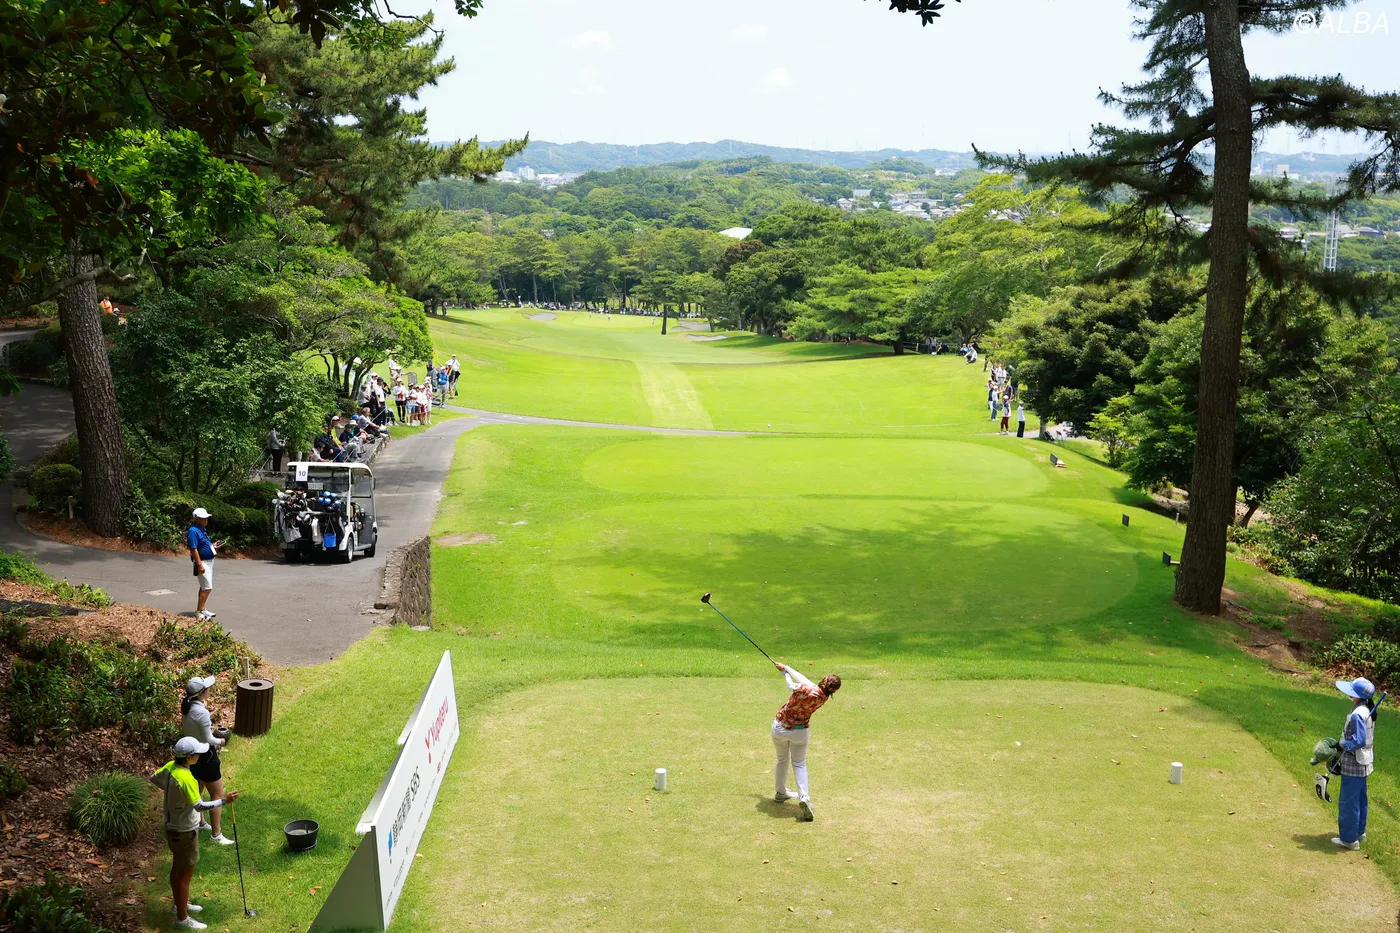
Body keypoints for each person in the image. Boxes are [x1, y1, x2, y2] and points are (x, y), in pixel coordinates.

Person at [151, 736, 239, 930]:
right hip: (184, 831)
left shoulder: (171, 767)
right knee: (185, 874)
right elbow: (199, 806)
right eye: (197, 753)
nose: (200, 755)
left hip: (172, 828)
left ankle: (179, 904)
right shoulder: (187, 779)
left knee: (177, 868)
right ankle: (183, 918)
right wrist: (223, 801)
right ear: (189, 757)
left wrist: (173, 793)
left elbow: (153, 778)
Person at [770, 662, 841, 822]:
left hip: (780, 728)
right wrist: (786, 667)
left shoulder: (806, 689)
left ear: (824, 680)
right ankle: (804, 797)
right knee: (799, 764)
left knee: (782, 759)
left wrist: (785, 674)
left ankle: (780, 792)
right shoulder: (822, 696)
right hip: (799, 733)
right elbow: (803, 679)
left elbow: (791, 685)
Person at [180, 676, 234, 846]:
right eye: (207, 688)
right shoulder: (201, 712)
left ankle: (201, 823)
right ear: (202, 692)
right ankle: (216, 834)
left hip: (192, 754)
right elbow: (207, 738)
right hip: (205, 755)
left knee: (198, 788)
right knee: (217, 793)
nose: (210, 690)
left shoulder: (187, 706)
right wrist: (221, 741)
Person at [1334, 677, 1377, 850]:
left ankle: (1349, 840)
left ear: (1358, 696)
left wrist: (1342, 744)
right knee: (1360, 799)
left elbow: (1358, 741)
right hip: (1364, 761)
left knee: (1348, 802)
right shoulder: (1367, 708)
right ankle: (1359, 832)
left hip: (1354, 762)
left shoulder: (1358, 714)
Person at [187, 509, 221, 622]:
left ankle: (202, 609)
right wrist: (199, 564)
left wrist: (213, 546)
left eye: (206, 518)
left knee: (204, 587)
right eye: (203, 518)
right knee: (207, 588)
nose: (206, 520)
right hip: (203, 562)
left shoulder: (202, 530)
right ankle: (199, 612)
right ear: (196, 519)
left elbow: (203, 545)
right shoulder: (193, 531)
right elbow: (194, 549)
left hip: (209, 562)